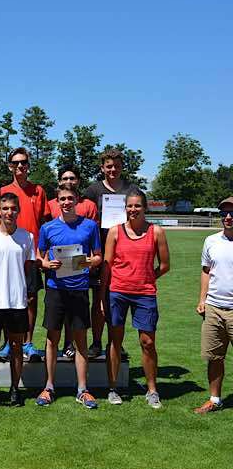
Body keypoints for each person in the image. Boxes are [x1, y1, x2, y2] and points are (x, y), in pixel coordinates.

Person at [101, 189, 170, 408]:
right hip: (117, 292)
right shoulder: (115, 232)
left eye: (137, 206)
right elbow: (107, 267)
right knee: (115, 340)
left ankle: (152, 390)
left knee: (147, 342)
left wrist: (148, 277)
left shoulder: (156, 232)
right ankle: (113, 388)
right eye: (129, 206)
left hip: (145, 294)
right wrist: (103, 297)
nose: (133, 210)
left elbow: (165, 265)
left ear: (145, 207)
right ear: (125, 208)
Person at [35, 187, 102, 409]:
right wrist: (46, 264)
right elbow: (39, 256)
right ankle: (49, 387)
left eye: (70, 198)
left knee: (80, 340)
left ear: (77, 200)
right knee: (52, 339)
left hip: (79, 288)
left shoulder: (90, 226)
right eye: (62, 199)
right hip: (55, 288)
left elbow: (98, 256)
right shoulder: (48, 227)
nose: (66, 202)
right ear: (57, 201)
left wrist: (89, 262)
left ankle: (82, 389)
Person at [0, 193, 36, 406]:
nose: (9, 212)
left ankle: (14, 388)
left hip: (17, 302)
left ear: (18, 210)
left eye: (13, 208)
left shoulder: (27, 237)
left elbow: (28, 268)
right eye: (5, 209)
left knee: (16, 346)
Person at [83, 148, 138, 358]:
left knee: (118, 299)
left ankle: (115, 343)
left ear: (122, 166)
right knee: (98, 299)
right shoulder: (93, 190)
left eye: (116, 165)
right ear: (102, 167)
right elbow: (86, 220)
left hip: (125, 253)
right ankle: (96, 343)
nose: (113, 169)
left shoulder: (131, 190)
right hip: (100, 251)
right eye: (109, 166)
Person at [0, 148, 49, 362]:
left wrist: (42, 252)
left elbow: (44, 225)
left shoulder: (38, 190)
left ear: (28, 165)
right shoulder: (3, 190)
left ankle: (27, 342)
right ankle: (8, 342)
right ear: (10, 166)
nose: (20, 166)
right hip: (8, 254)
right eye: (16, 163)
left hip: (30, 254)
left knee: (30, 298)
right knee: (6, 298)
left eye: (24, 162)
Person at [194, 196, 233, 413]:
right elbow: (206, 271)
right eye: (224, 214)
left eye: (232, 213)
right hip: (214, 308)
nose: (228, 217)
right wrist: (202, 299)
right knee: (214, 357)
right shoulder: (211, 241)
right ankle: (214, 399)